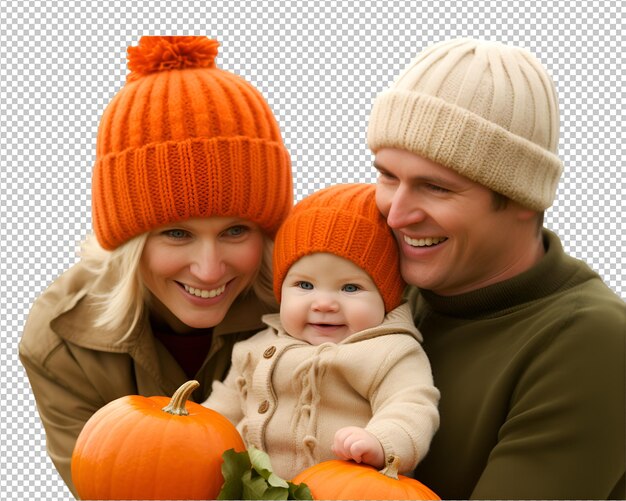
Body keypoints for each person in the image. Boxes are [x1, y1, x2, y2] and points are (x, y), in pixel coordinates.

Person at [18, 36, 293, 497]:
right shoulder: (61, 340)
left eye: (235, 231)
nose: (208, 270)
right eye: (177, 233)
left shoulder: (310, 303)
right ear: (131, 242)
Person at [367, 38, 626, 499]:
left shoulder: (593, 342)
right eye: (388, 176)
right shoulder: (374, 286)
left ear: (522, 199)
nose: (396, 213)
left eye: (435, 187)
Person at [203, 183, 440, 479]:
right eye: (305, 285)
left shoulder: (390, 352)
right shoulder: (254, 347)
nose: (324, 303)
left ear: (387, 296)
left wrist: (381, 441)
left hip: (342, 490)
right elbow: (222, 411)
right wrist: (193, 433)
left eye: (350, 288)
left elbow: (412, 405)